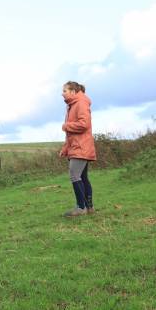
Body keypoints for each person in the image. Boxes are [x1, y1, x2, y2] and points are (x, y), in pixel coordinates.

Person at [60, 81, 96, 217]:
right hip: (77, 146)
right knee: (82, 177)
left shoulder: (80, 103)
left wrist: (66, 126)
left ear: (73, 92)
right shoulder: (72, 105)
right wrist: (65, 148)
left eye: (65, 91)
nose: (62, 93)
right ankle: (90, 208)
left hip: (81, 146)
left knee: (74, 175)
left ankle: (81, 208)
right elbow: (71, 134)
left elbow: (84, 124)